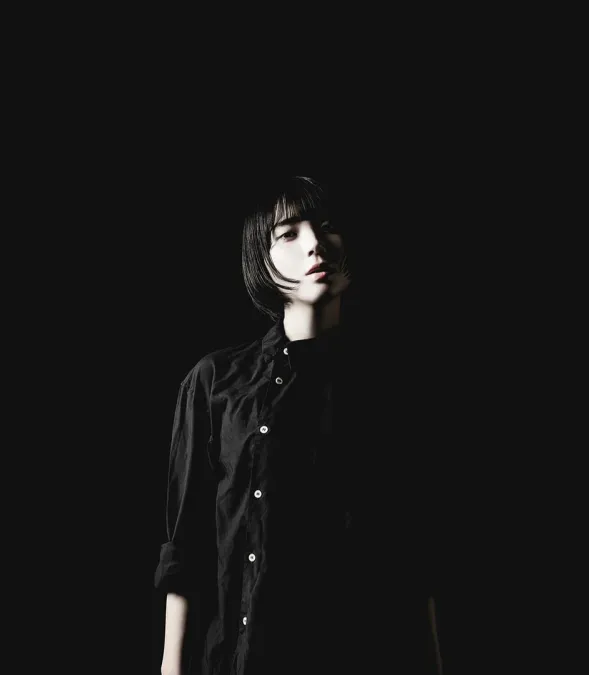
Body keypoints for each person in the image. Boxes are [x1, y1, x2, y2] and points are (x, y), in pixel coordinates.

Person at [155, 176, 443, 674]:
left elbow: (414, 557)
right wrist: (170, 667)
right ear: (261, 258)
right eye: (288, 233)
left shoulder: (390, 387)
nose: (315, 243)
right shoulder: (215, 382)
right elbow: (187, 547)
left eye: (327, 226)